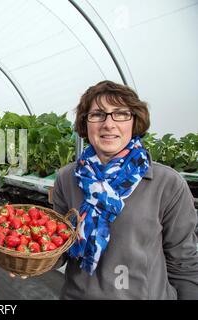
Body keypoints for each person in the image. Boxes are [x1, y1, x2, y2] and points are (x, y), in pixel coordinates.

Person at [51, 80, 198, 299]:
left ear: (135, 121)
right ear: (85, 123)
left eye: (120, 114)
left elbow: (184, 263)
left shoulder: (166, 183)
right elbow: (60, 248)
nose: (108, 124)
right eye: (97, 114)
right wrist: (31, 257)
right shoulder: (67, 178)